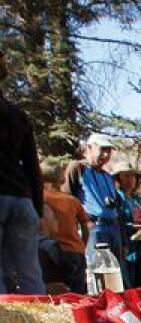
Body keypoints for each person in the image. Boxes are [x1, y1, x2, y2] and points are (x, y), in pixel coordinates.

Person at [0, 53, 46, 294]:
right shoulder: (18, 116)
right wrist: (37, 208)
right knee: (30, 272)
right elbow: (32, 166)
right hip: (22, 200)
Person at [68, 134, 125, 274]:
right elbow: (67, 199)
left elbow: (116, 204)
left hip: (113, 226)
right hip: (93, 226)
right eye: (102, 150)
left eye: (109, 151)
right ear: (89, 148)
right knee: (96, 270)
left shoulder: (108, 176)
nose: (105, 155)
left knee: (116, 271)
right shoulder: (78, 168)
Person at [39, 160, 89, 294]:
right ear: (62, 179)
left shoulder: (38, 198)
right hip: (74, 253)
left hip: (47, 254)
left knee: (55, 296)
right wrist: (82, 246)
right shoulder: (72, 200)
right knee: (78, 295)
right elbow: (85, 226)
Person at [109, 161, 141, 287]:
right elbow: (118, 221)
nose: (130, 179)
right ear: (118, 179)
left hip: (140, 244)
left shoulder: (136, 199)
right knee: (129, 281)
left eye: (132, 176)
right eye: (126, 176)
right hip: (126, 245)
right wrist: (132, 227)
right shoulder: (117, 198)